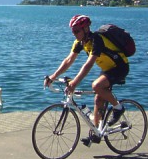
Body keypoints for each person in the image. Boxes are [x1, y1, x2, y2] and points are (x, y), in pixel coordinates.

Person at [44, 15, 129, 144]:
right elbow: (68, 60)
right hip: (107, 69)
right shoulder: (80, 42)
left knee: (96, 86)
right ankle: (96, 133)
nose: (74, 34)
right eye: (73, 31)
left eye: (77, 31)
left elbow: (88, 64)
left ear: (86, 29)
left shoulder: (97, 40)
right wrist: (53, 76)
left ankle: (118, 107)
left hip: (120, 67)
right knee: (98, 98)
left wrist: (75, 82)